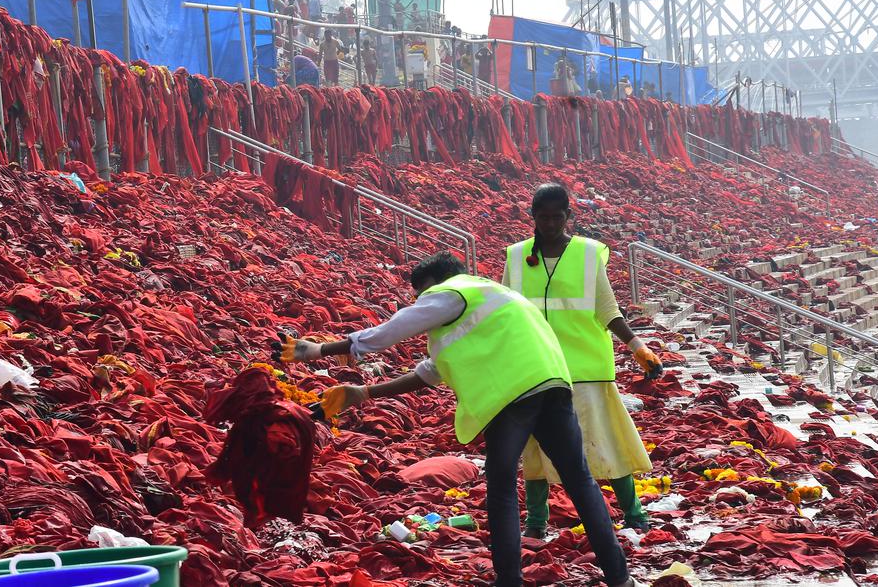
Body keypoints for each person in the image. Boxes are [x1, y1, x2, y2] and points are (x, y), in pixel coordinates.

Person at [275, 252, 634, 587]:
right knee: (580, 482)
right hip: (553, 385)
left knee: (503, 490)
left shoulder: (452, 291)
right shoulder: (491, 298)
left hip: (510, 393)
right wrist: (363, 393)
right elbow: (431, 372)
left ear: (438, 282)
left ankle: (509, 581)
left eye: (422, 295)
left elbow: (391, 331)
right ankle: (621, 579)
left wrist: (319, 349)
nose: (422, 304)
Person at [505, 184, 662, 539]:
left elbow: (607, 309)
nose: (549, 224)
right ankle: (535, 522)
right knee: (535, 449)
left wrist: (637, 347)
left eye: (557, 217)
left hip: (586, 370)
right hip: (534, 370)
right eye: (543, 217)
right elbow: (505, 312)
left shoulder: (588, 254)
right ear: (533, 217)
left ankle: (634, 513)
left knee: (602, 440)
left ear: (568, 217)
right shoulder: (516, 258)